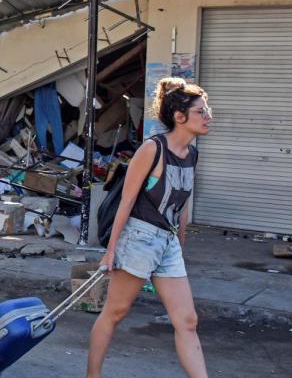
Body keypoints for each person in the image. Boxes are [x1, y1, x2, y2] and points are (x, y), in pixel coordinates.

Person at [87, 77, 212, 378]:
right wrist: (110, 252)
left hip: (167, 243)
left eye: (207, 110)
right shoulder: (152, 149)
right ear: (179, 117)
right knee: (115, 312)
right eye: (201, 111)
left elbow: (182, 206)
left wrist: (179, 246)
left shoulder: (192, 155)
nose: (208, 116)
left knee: (187, 320)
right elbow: (126, 202)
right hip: (139, 238)